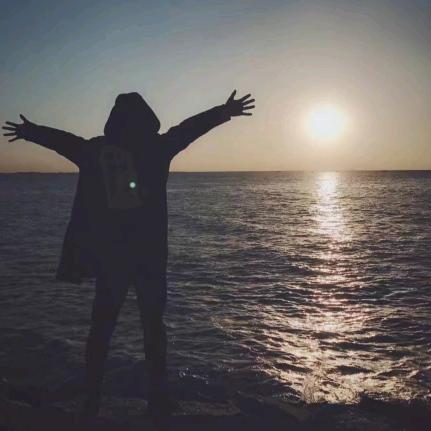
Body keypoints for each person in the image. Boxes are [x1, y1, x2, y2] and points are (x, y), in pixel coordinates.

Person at [2, 90, 255, 417]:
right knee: (152, 328)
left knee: (102, 328)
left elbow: (65, 142)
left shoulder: (97, 151)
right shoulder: (158, 148)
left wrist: (31, 131)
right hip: (150, 258)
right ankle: (157, 399)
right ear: (147, 119)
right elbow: (189, 129)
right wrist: (224, 111)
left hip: (113, 257)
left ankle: (92, 398)